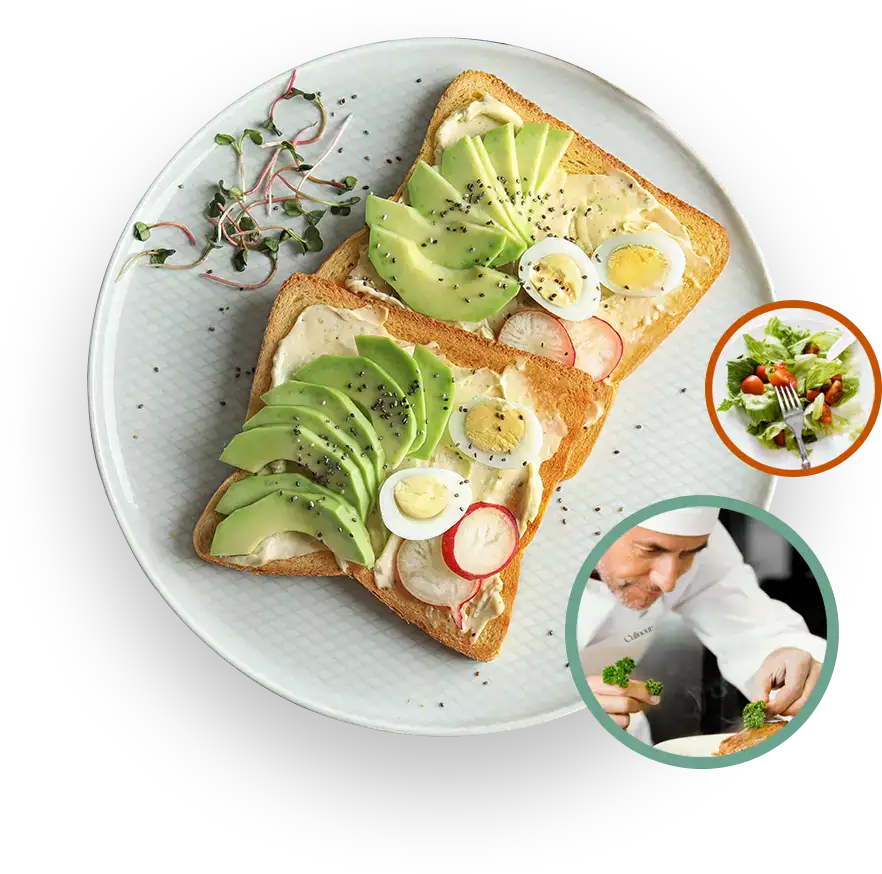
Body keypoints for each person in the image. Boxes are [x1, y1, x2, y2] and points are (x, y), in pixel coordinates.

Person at [577, 506, 826, 746]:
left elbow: (752, 628)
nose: (668, 583)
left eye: (689, 554)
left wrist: (790, 662)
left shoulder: (694, 536)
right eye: (649, 550)